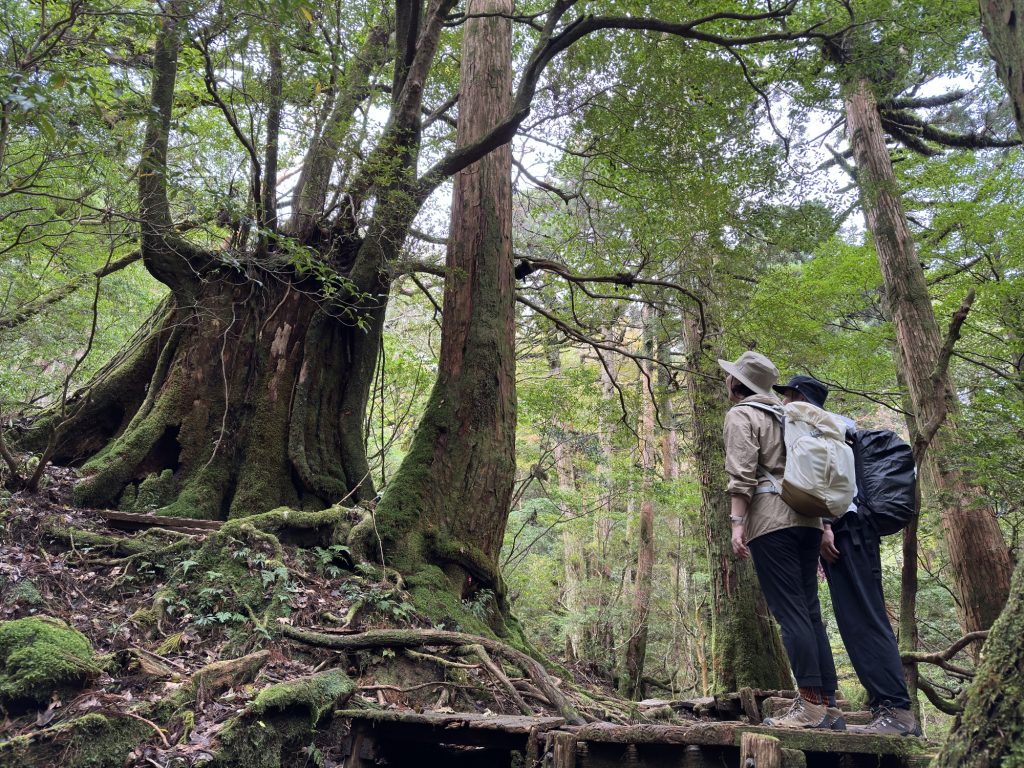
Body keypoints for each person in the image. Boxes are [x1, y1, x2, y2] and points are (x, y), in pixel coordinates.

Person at [773, 375, 922, 737]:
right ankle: (888, 709)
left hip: (847, 529)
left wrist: (825, 525)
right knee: (859, 616)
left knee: (863, 619)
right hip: (854, 529)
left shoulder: (819, 426)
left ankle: (896, 714)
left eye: (789, 394)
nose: (785, 401)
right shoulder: (842, 426)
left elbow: (827, 481)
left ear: (800, 396)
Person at [718, 352, 844, 730]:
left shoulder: (743, 414)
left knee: (791, 615)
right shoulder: (792, 414)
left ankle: (809, 707)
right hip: (807, 519)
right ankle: (827, 705)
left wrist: (737, 523)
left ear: (735, 384)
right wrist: (823, 525)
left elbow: (741, 472)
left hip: (772, 521)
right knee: (808, 613)